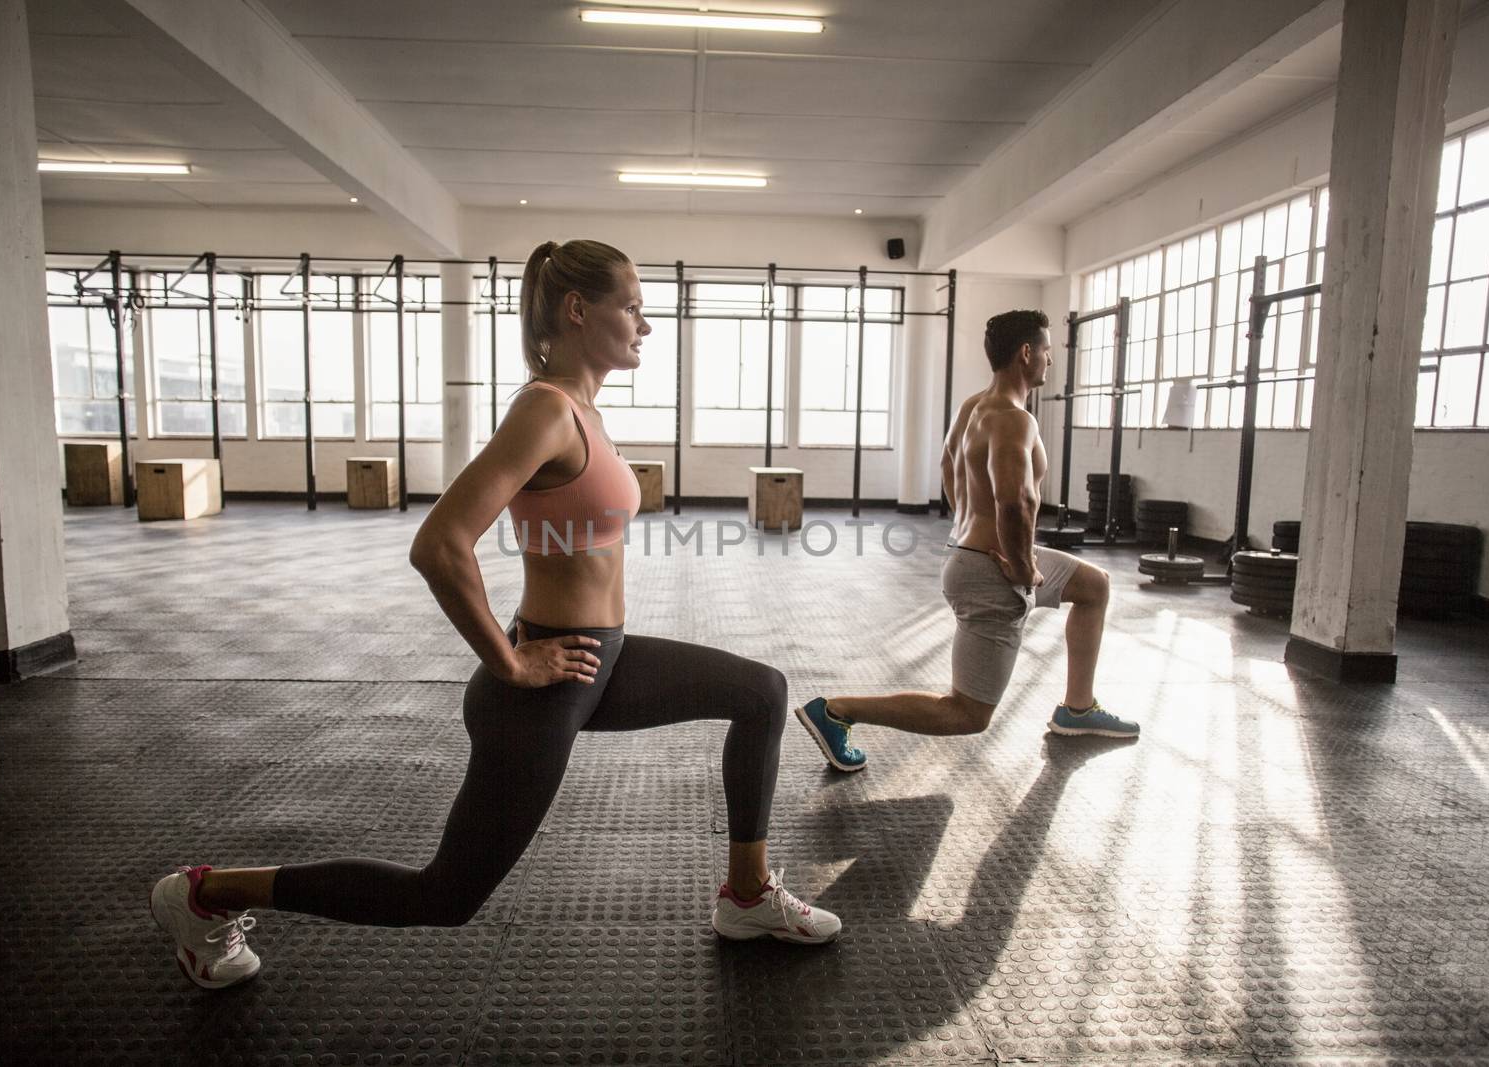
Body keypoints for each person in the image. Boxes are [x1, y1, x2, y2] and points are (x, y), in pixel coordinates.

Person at [150, 239, 839, 990]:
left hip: (599, 660)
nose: (645, 324)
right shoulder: (545, 410)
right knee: (443, 895)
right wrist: (509, 661)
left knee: (760, 691)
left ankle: (745, 895)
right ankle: (204, 893)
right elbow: (440, 543)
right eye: (632, 306)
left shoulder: (584, 410)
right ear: (579, 310)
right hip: (548, 679)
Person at [794, 309, 1138, 773]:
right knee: (967, 714)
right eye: (1048, 352)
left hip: (978, 553)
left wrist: (968, 526)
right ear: (1026, 353)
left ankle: (1078, 707)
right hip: (995, 569)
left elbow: (946, 466)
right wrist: (1019, 566)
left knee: (1093, 585)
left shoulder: (974, 405)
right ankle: (837, 710)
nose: (1050, 362)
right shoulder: (1015, 420)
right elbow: (1015, 502)